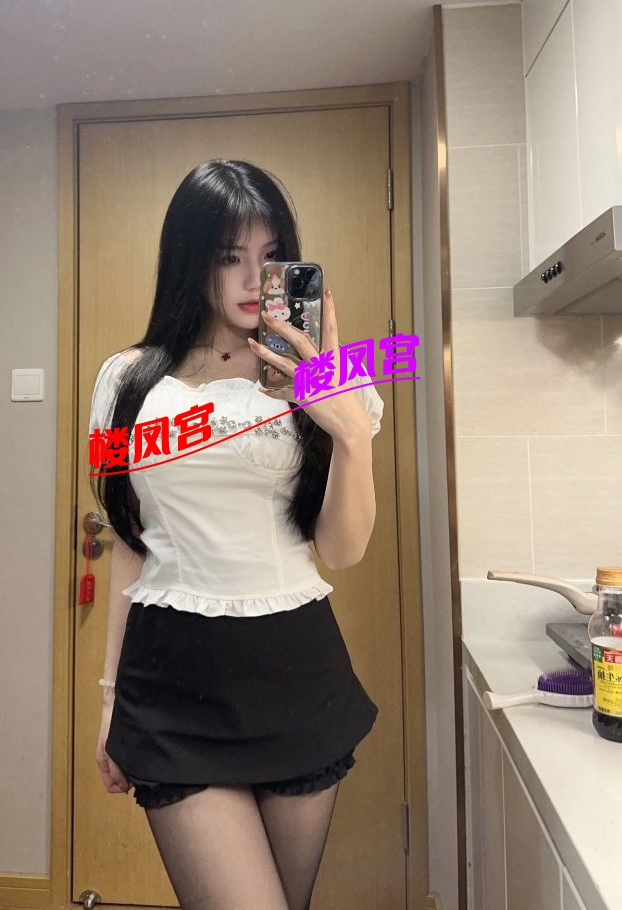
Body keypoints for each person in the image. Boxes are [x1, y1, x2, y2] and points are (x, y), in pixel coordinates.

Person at [89, 158, 384, 910]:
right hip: (172, 687)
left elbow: (343, 550)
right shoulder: (126, 382)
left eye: (271, 255)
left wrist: (350, 431)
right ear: (190, 261)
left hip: (297, 674)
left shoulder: (331, 376)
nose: (254, 279)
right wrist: (109, 699)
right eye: (229, 257)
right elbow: (131, 541)